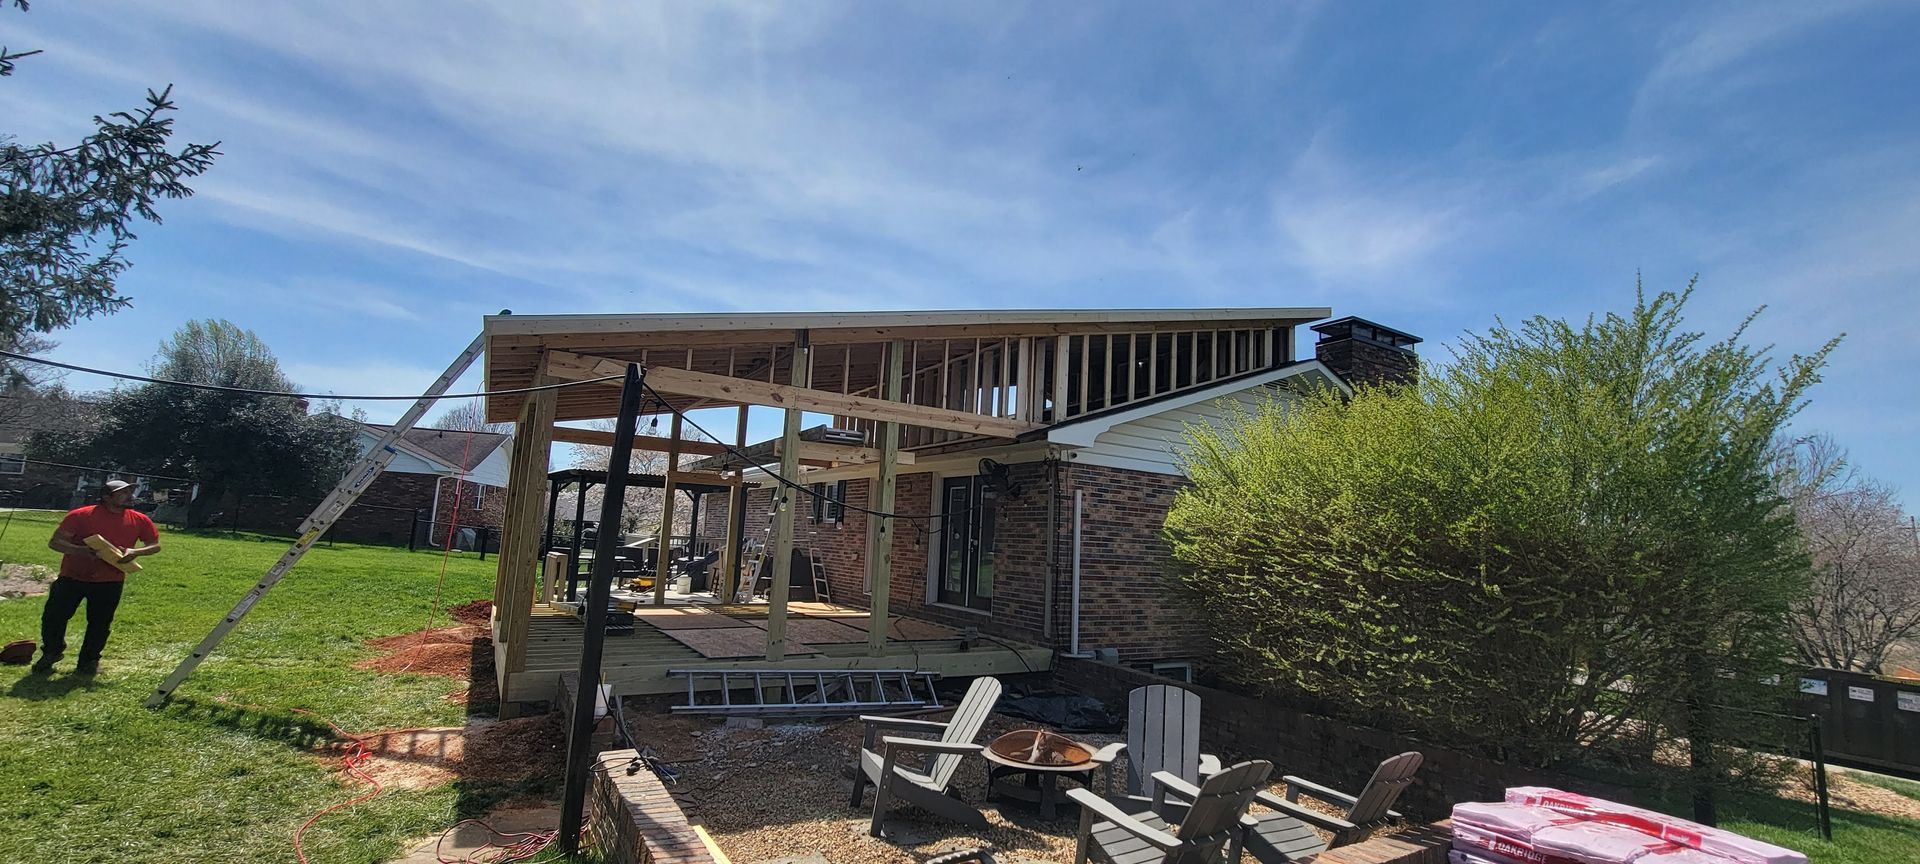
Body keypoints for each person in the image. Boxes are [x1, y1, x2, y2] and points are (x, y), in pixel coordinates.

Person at [33, 479, 161, 675]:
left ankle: (89, 661)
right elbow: (55, 543)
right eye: (123, 493)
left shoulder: (140, 519)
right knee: (54, 617)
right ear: (106, 497)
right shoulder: (81, 515)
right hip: (72, 577)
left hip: (110, 580)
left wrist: (135, 551)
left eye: (130, 492)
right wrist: (81, 551)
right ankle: (52, 652)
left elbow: (154, 545)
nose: (129, 496)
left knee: (100, 623)